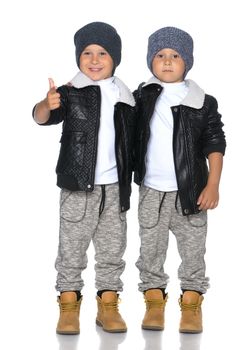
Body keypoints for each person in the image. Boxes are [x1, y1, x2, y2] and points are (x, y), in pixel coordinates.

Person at [33, 21, 135, 335]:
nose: (94, 59)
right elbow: (42, 118)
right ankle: (68, 306)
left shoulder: (126, 96)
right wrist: (45, 105)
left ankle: (107, 305)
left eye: (102, 53)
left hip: (115, 188)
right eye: (87, 53)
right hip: (78, 185)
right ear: (78, 57)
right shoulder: (69, 92)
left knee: (111, 249)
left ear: (114, 58)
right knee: (71, 249)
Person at [133, 26, 226, 333]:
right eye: (160, 55)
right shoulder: (140, 97)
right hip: (151, 191)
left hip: (191, 191)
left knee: (193, 251)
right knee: (150, 250)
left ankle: (191, 302)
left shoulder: (202, 101)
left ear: (187, 61)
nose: (168, 61)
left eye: (175, 55)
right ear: (151, 62)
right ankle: (154, 300)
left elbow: (215, 143)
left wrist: (212, 184)